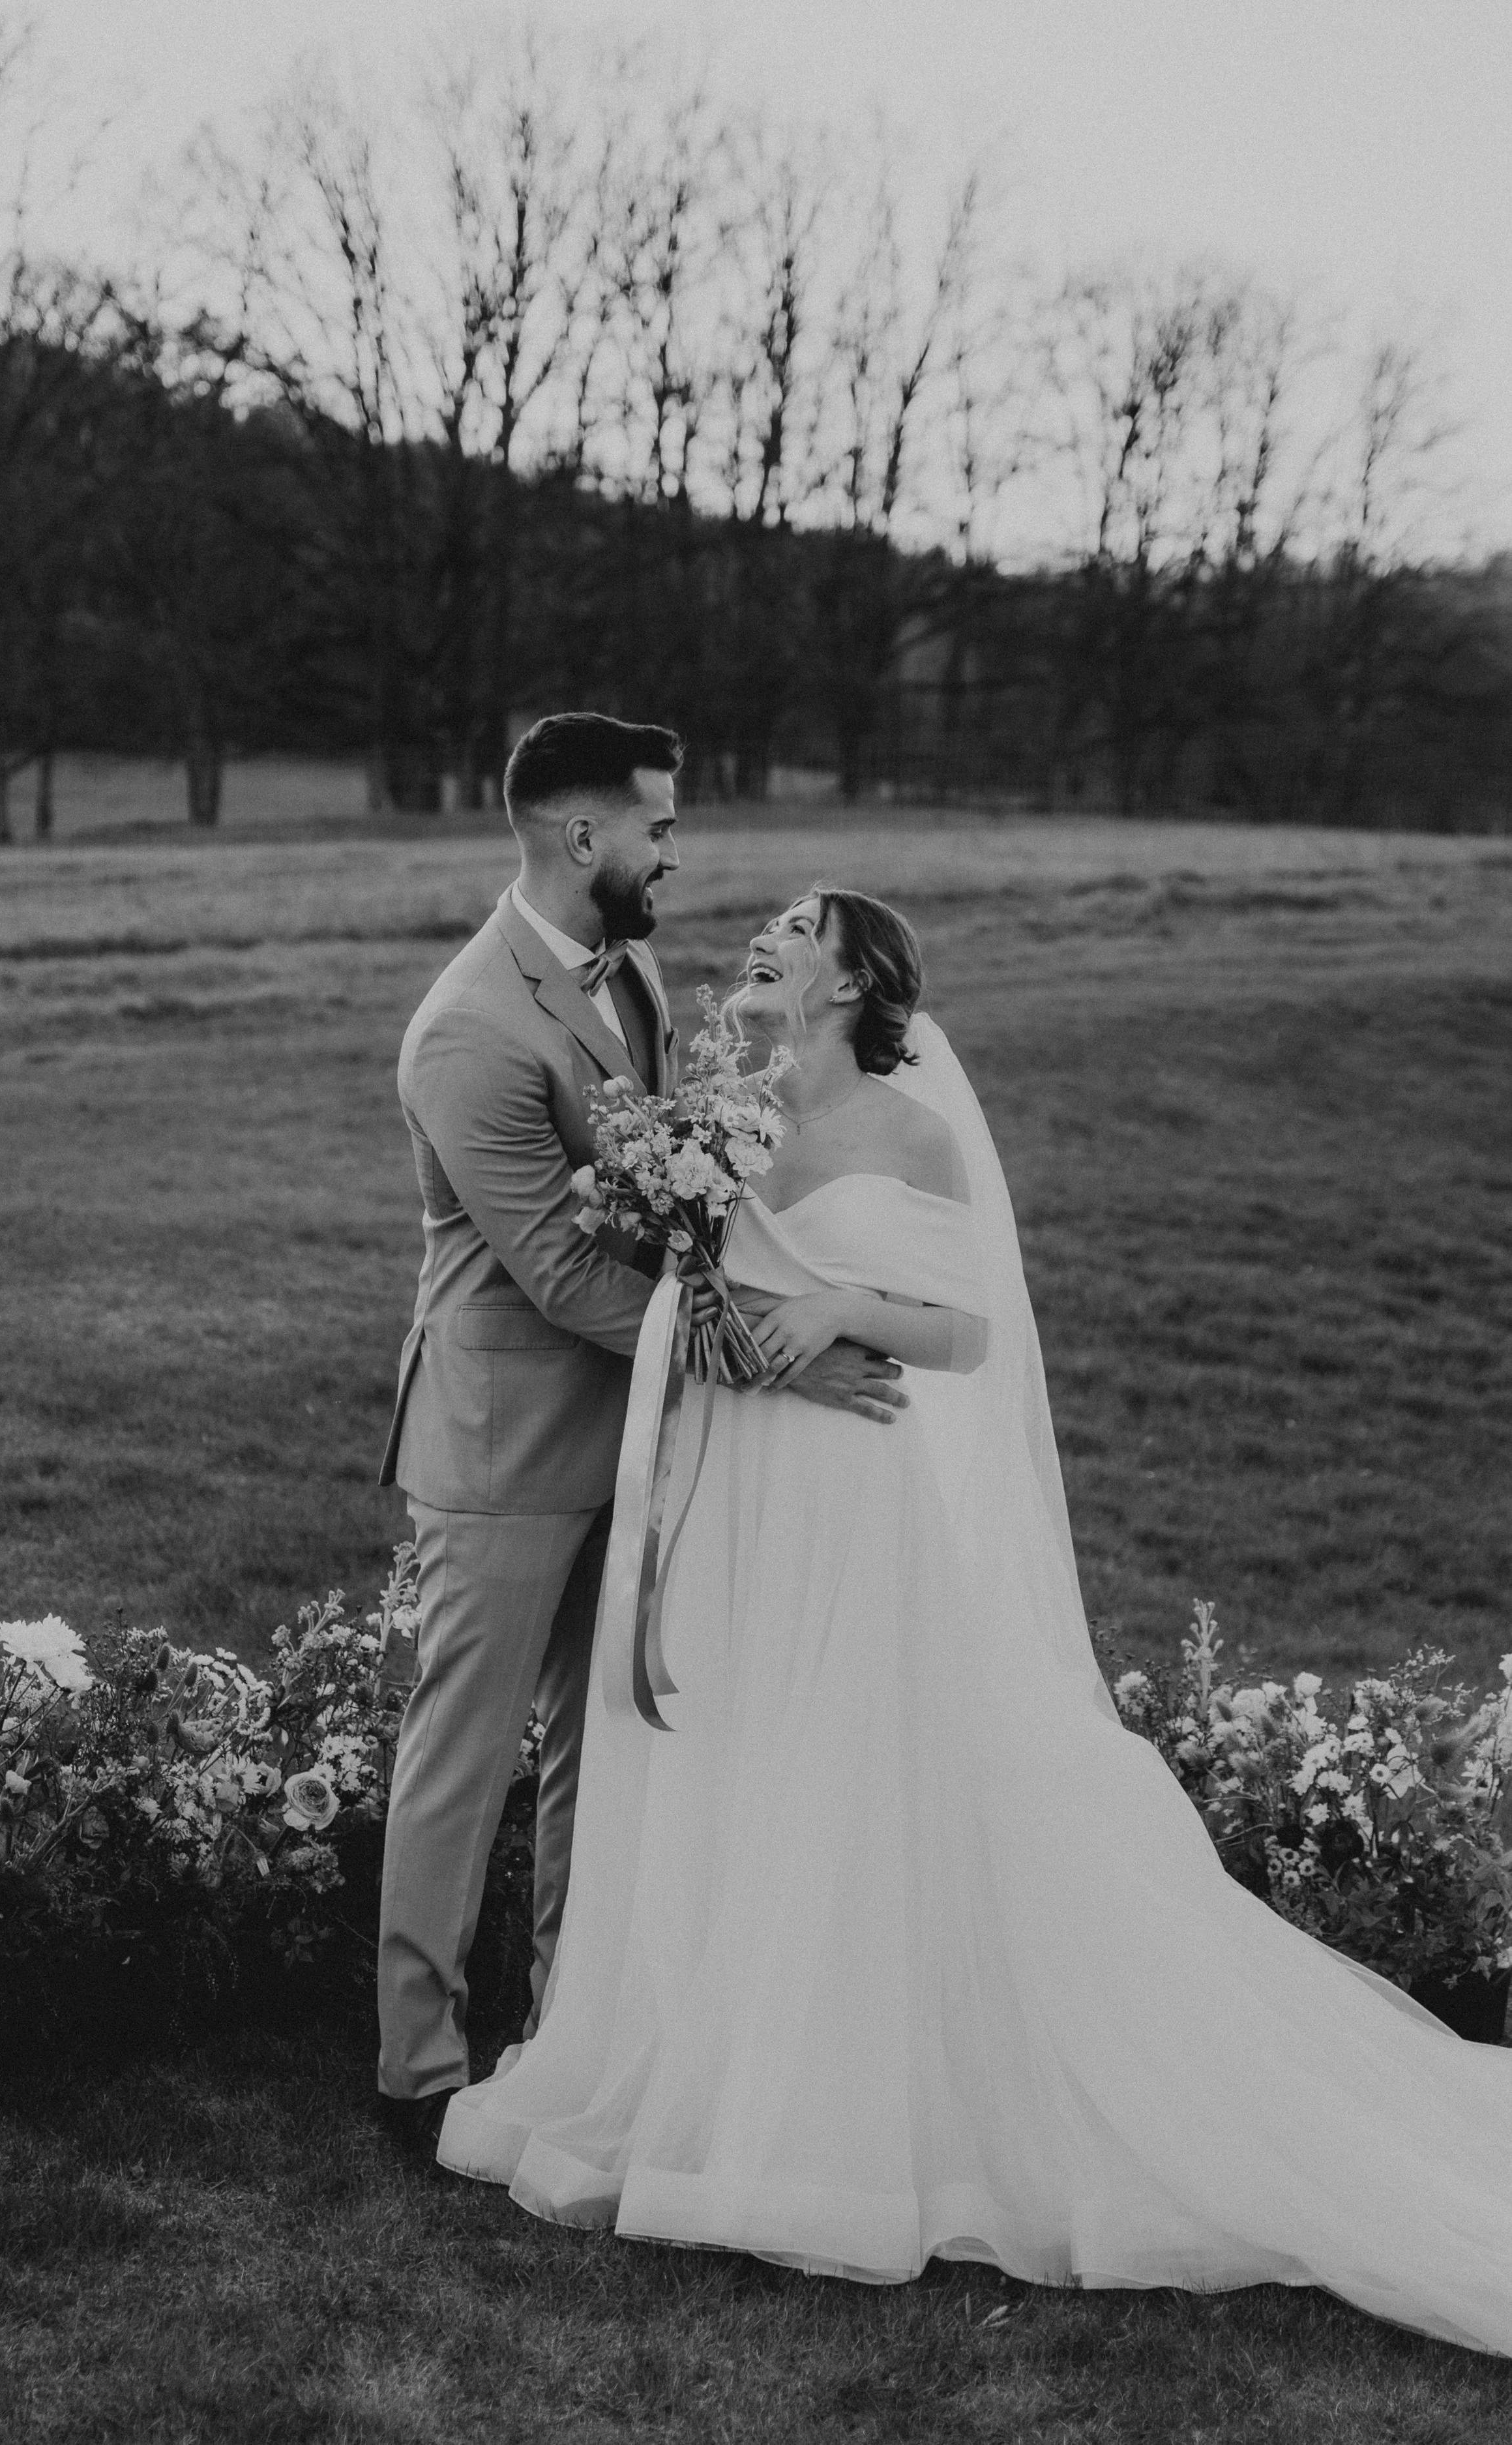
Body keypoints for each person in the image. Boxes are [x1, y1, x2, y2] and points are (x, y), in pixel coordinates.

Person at [439, 883, 1512, 2359]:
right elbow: (685, 1291)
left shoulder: (910, 1126)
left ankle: (835, 2115)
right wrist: (735, 1301)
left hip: (852, 1499)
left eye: (795, 929)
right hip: (733, 1482)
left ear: (850, 980)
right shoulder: (708, 1107)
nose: (764, 935)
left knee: (848, 1770)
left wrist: (837, 1317)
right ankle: (711, 2060)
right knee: (737, 1752)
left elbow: (964, 1334)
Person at [376, 726, 909, 2153]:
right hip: (502, 1445)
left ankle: (569, 2026)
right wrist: (765, 1358)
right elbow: (556, 1268)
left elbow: (670, 1186)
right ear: (578, 837)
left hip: (637, 1422)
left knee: (598, 1747)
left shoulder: (630, 975)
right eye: (657, 829)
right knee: (465, 1754)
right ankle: (415, 2068)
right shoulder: (470, 1028)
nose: (673, 853)